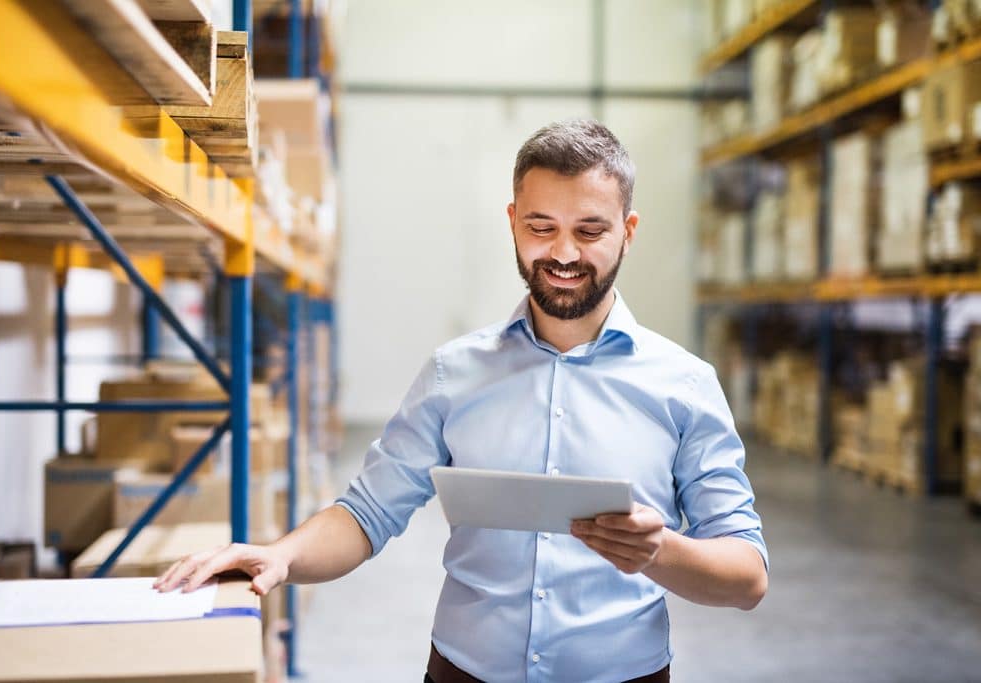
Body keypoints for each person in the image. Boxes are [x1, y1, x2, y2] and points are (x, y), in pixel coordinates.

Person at [155, 119, 769, 683]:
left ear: (627, 232)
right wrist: (282, 554)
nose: (562, 254)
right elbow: (367, 513)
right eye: (541, 227)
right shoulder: (455, 374)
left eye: (590, 231)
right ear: (512, 222)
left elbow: (746, 577)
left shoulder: (683, 386)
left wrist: (657, 550)